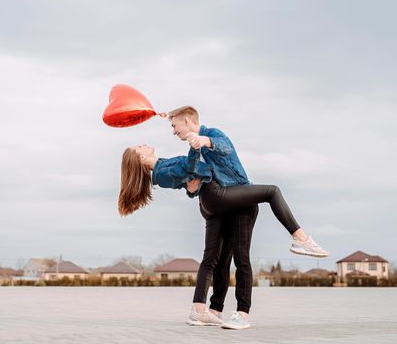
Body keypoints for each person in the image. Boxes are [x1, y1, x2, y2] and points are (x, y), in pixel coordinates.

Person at [118, 107, 329, 329]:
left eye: (174, 126)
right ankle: (300, 238)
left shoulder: (209, 136)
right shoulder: (161, 169)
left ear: (188, 122)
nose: (172, 131)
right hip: (219, 198)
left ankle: (211, 310)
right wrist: (193, 167)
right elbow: (190, 171)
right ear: (141, 158)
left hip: (228, 200)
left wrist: (202, 143)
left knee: (220, 259)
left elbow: (222, 149)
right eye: (140, 146)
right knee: (270, 195)